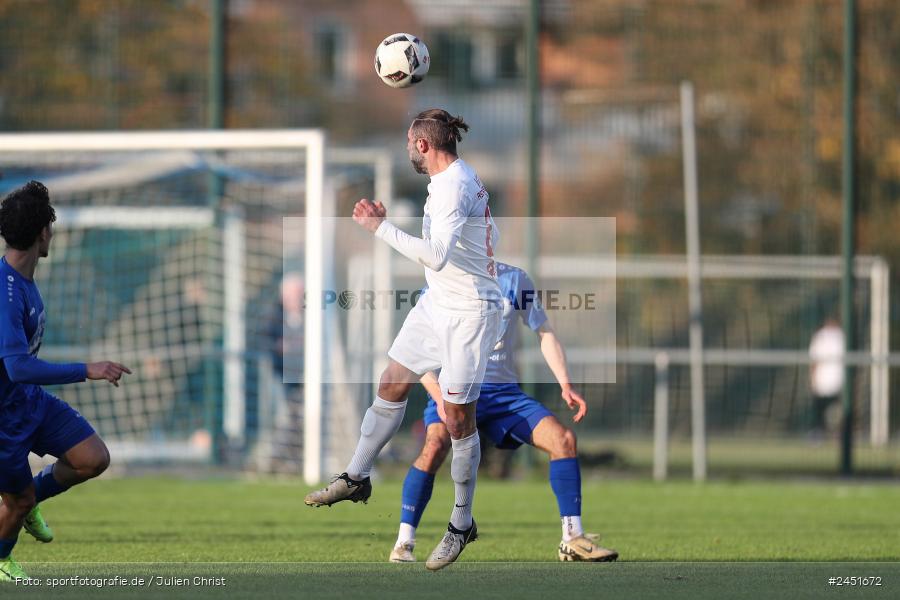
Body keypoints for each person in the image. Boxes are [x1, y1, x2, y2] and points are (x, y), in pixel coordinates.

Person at [305, 109, 501, 571]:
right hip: (439, 304)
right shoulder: (445, 181)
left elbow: (434, 256)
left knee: (456, 422)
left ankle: (461, 523)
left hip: (471, 314)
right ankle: (357, 475)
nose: (407, 150)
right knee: (392, 381)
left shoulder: (453, 186)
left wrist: (379, 228)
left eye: (409, 143)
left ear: (422, 146)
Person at [388, 262, 618, 564]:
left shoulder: (514, 279)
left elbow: (544, 331)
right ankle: (404, 543)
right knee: (434, 447)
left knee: (563, 440)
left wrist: (565, 383)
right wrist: (438, 397)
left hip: (503, 396)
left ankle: (572, 539)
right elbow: (414, 352)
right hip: (454, 393)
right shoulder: (439, 281)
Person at [0, 181, 131, 582]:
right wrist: (85, 369)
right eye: (51, 228)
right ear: (43, 233)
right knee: (16, 503)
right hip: (2, 420)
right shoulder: (4, 294)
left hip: (28, 402)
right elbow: (18, 367)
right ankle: (3, 557)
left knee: (92, 459)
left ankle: (27, 500)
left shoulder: (23, 282)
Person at [808, 318, 845, 436]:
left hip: (834, 380)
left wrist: (812, 377)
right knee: (823, 408)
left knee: (835, 409)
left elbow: (814, 360)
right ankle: (820, 432)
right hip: (825, 380)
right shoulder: (823, 336)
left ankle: (834, 432)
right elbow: (815, 360)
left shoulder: (840, 336)